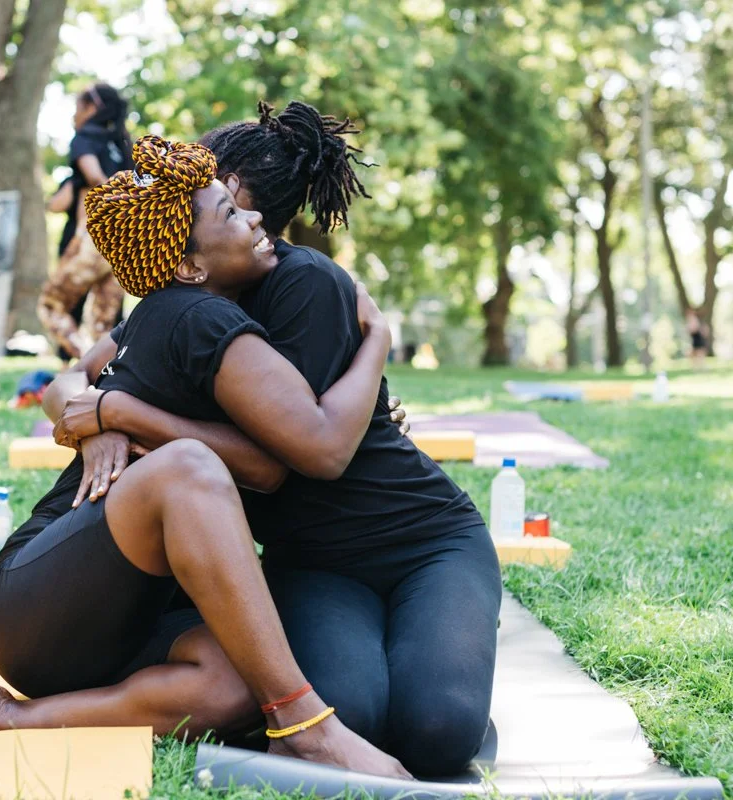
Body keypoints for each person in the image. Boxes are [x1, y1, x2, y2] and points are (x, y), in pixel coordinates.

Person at [0, 136, 410, 778]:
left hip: (118, 613)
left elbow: (74, 381)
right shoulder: (197, 318)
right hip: (39, 602)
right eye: (230, 213)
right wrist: (100, 421)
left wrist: (112, 415)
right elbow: (286, 458)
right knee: (188, 469)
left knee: (229, 686)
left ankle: (9, 717)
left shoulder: (166, 310)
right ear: (189, 266)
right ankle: (304, 725)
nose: (255, 220)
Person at [50, 102, 502, 777]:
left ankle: (439, 668)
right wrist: (95, 423)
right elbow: (76, 376)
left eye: (205, 182)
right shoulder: (185, 290)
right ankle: (411, 662)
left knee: (436, 731)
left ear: (234, 190)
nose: (184, 183)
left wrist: (376, 341)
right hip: (313, 563)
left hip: (424, 541)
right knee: (347, 717)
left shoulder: (305, 286)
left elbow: (318, 453)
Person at [37, 83, 133, 359]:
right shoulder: (123, 144)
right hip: (122, 243)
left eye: (77, 108)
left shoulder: (85, 137)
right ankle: (108, 375)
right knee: (105, 322)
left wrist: (108, 197)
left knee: (51, 305)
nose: (73, 116)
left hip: (94, 238)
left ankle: (83, 360)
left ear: (92, 108)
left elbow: (91, 176)